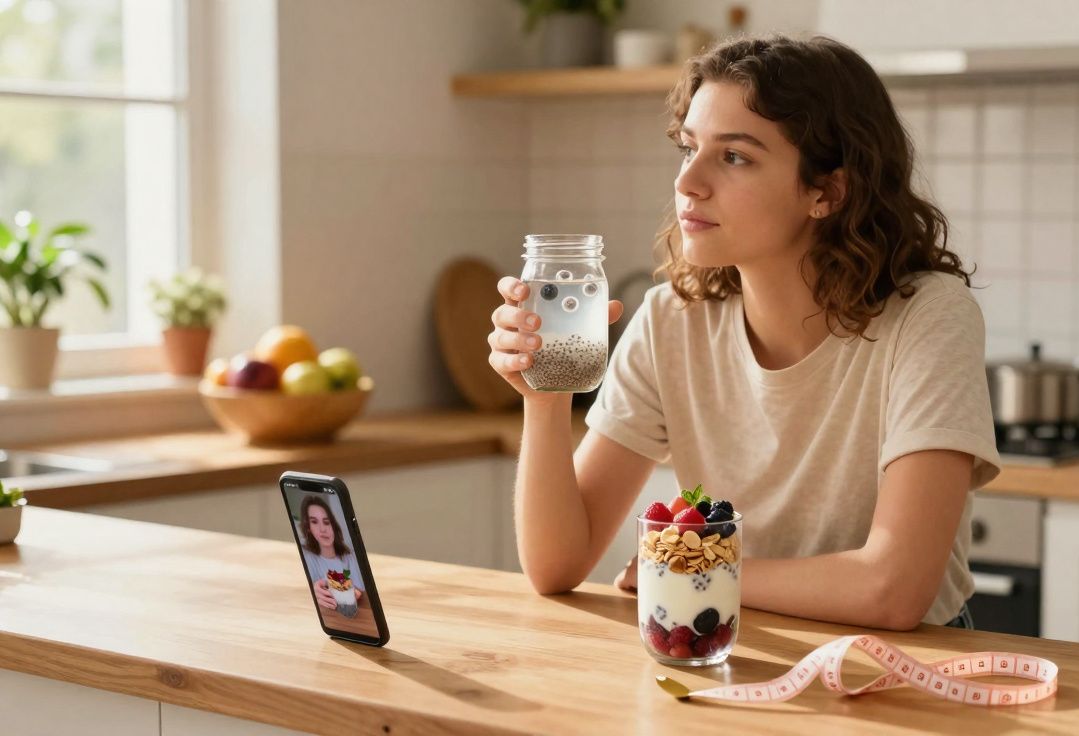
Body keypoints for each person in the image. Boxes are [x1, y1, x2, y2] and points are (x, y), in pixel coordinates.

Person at [488, 35, 1001, 630]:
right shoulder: (671, 320)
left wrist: (685, 568)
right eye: (688, 148)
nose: (688, 182)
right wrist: (546, 399)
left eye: (734, 156)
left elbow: (893, 591)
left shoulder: (927, 315)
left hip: (906, 663)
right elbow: (555, 566)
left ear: (827, 191)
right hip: (734, 641)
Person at [299, 495, 365, 611]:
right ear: (309, 528)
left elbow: (360, 590)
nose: (323, 529)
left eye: (326, 522)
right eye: (314, 522)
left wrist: (356, 593)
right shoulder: (307, 557)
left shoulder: (349, 556)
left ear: (333, 525)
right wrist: (312, 591)